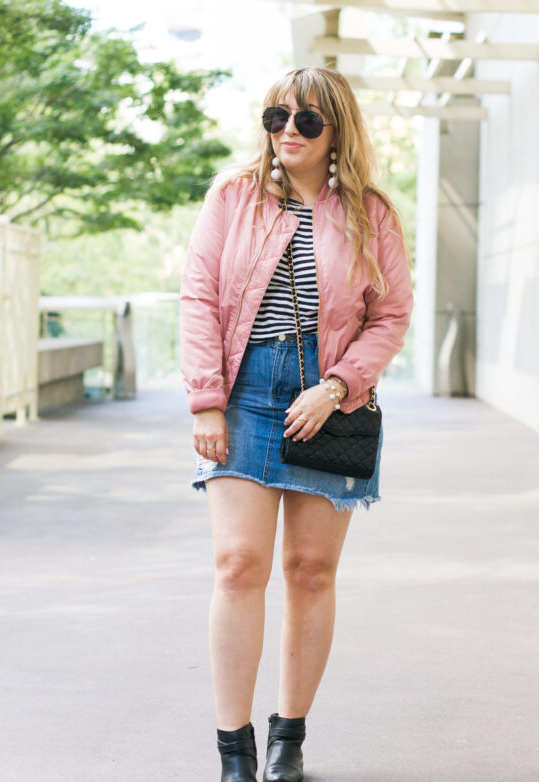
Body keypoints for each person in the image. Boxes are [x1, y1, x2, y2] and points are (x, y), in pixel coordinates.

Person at [179, 66, 414, 782]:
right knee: (237, 565)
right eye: (276, 115)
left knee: (310, 572)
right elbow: (198, 298)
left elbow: (390, 316)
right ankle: (233, 751)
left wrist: (339, 386)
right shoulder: (232, 197)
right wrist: (207, 399)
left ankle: (288, 741)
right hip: (245, 389)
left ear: (336, 129)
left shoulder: (370, 211)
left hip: (326, 400)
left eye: (307, 121)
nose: (288, 130)